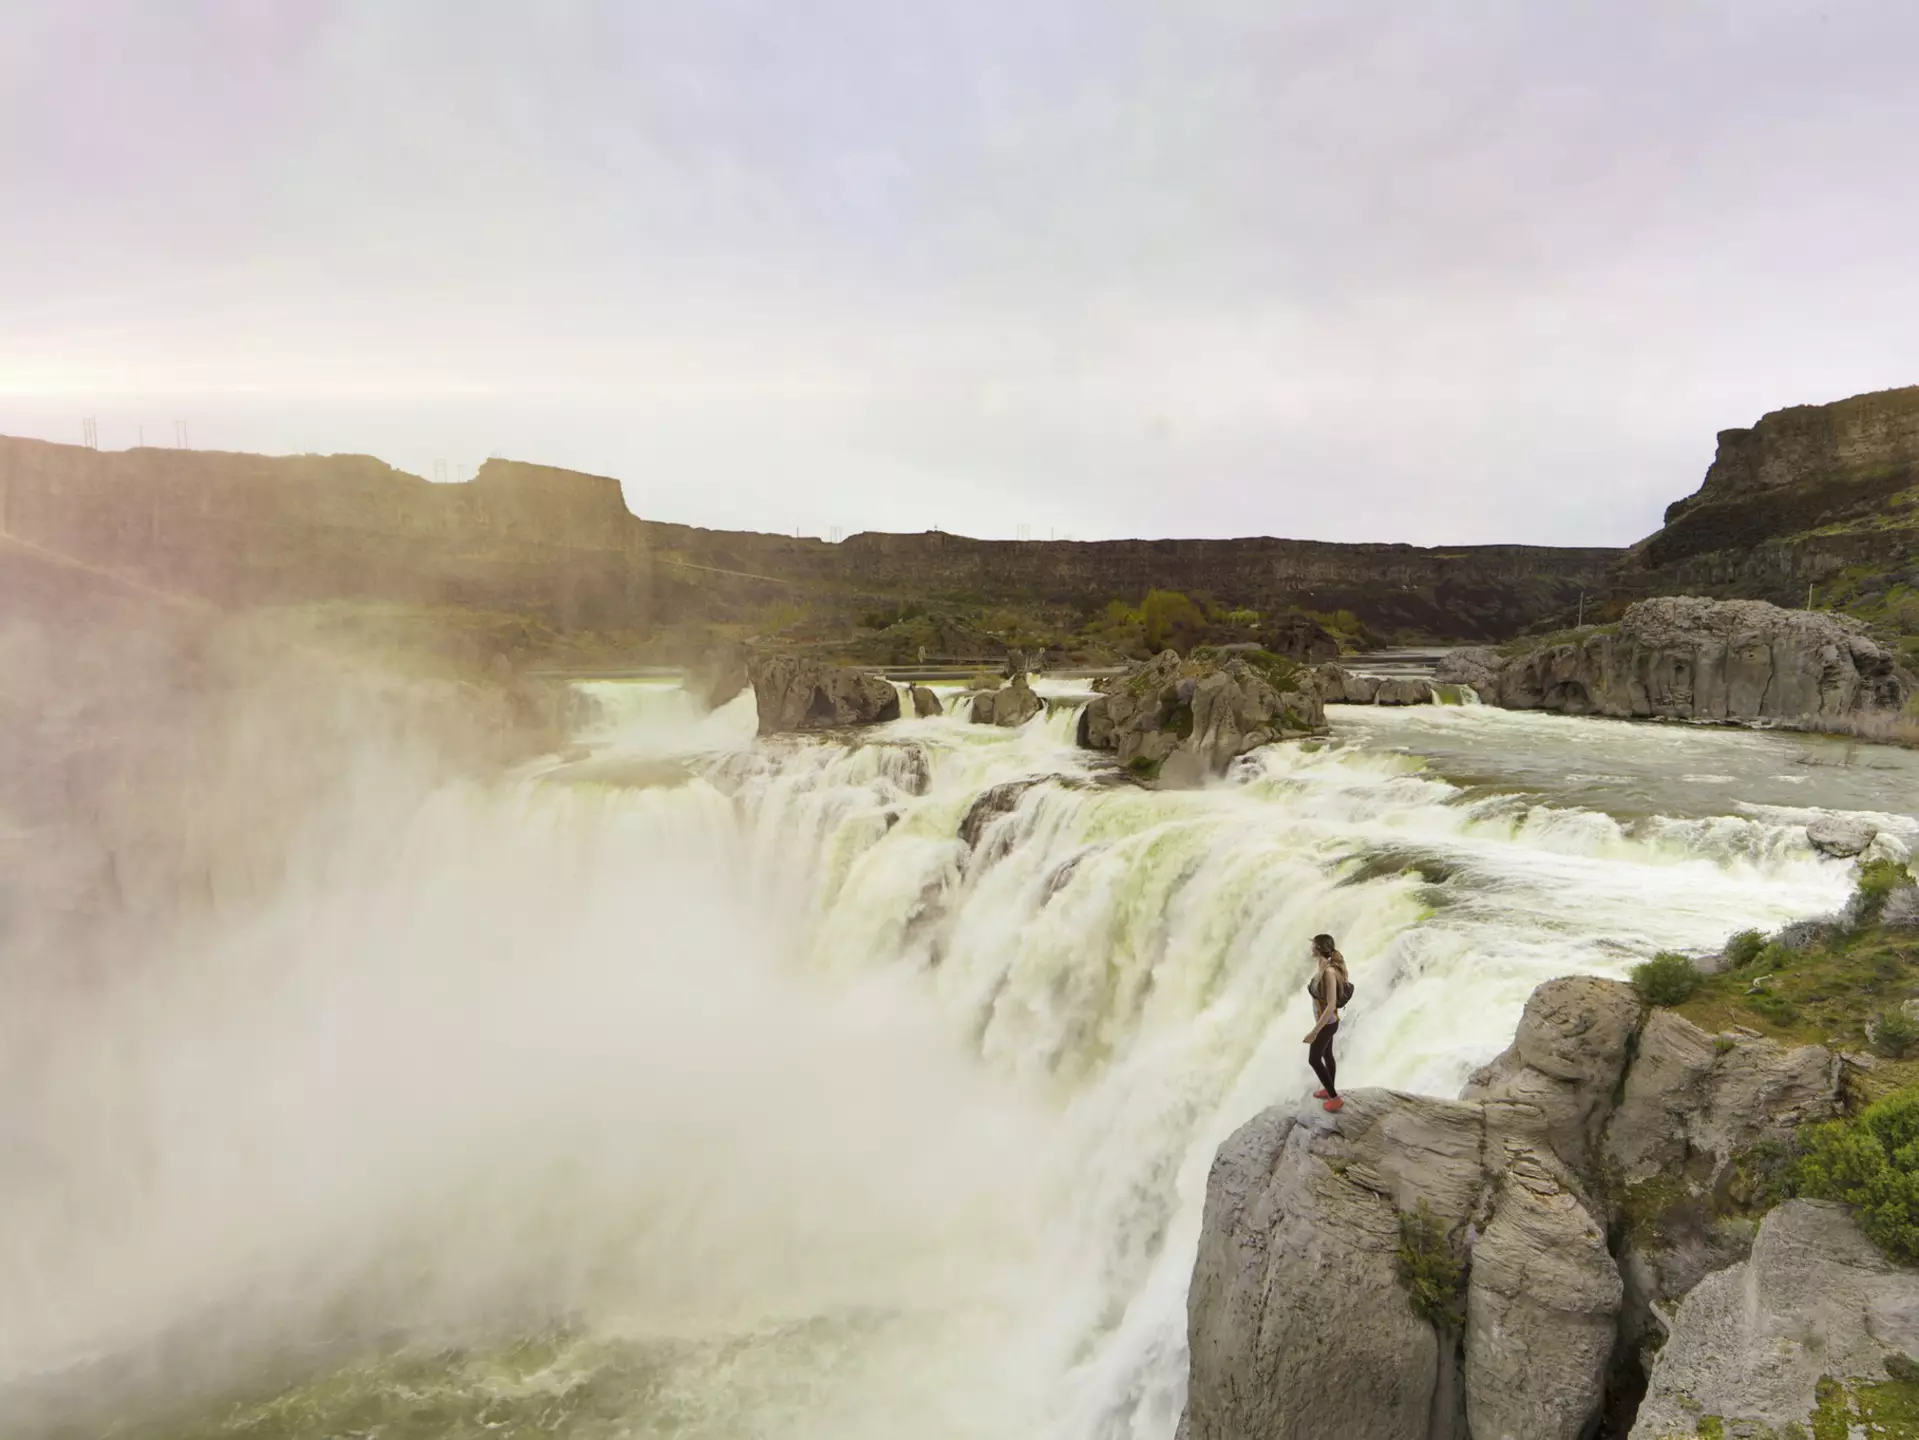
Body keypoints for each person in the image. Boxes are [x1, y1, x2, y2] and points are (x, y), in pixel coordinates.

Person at [1304, 933, 1349, 1112]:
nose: (1310, 948)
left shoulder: (1329, 972)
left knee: (1314, 1059)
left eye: (1312, 945)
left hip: (1327, 1023)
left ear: (1317, 949)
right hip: (1326, 1022)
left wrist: (1315, 1031)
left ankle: (1334, 1098)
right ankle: (1329, 1089)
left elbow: (1331, 1005)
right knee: (1327, 1056)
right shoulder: (1323, 967)